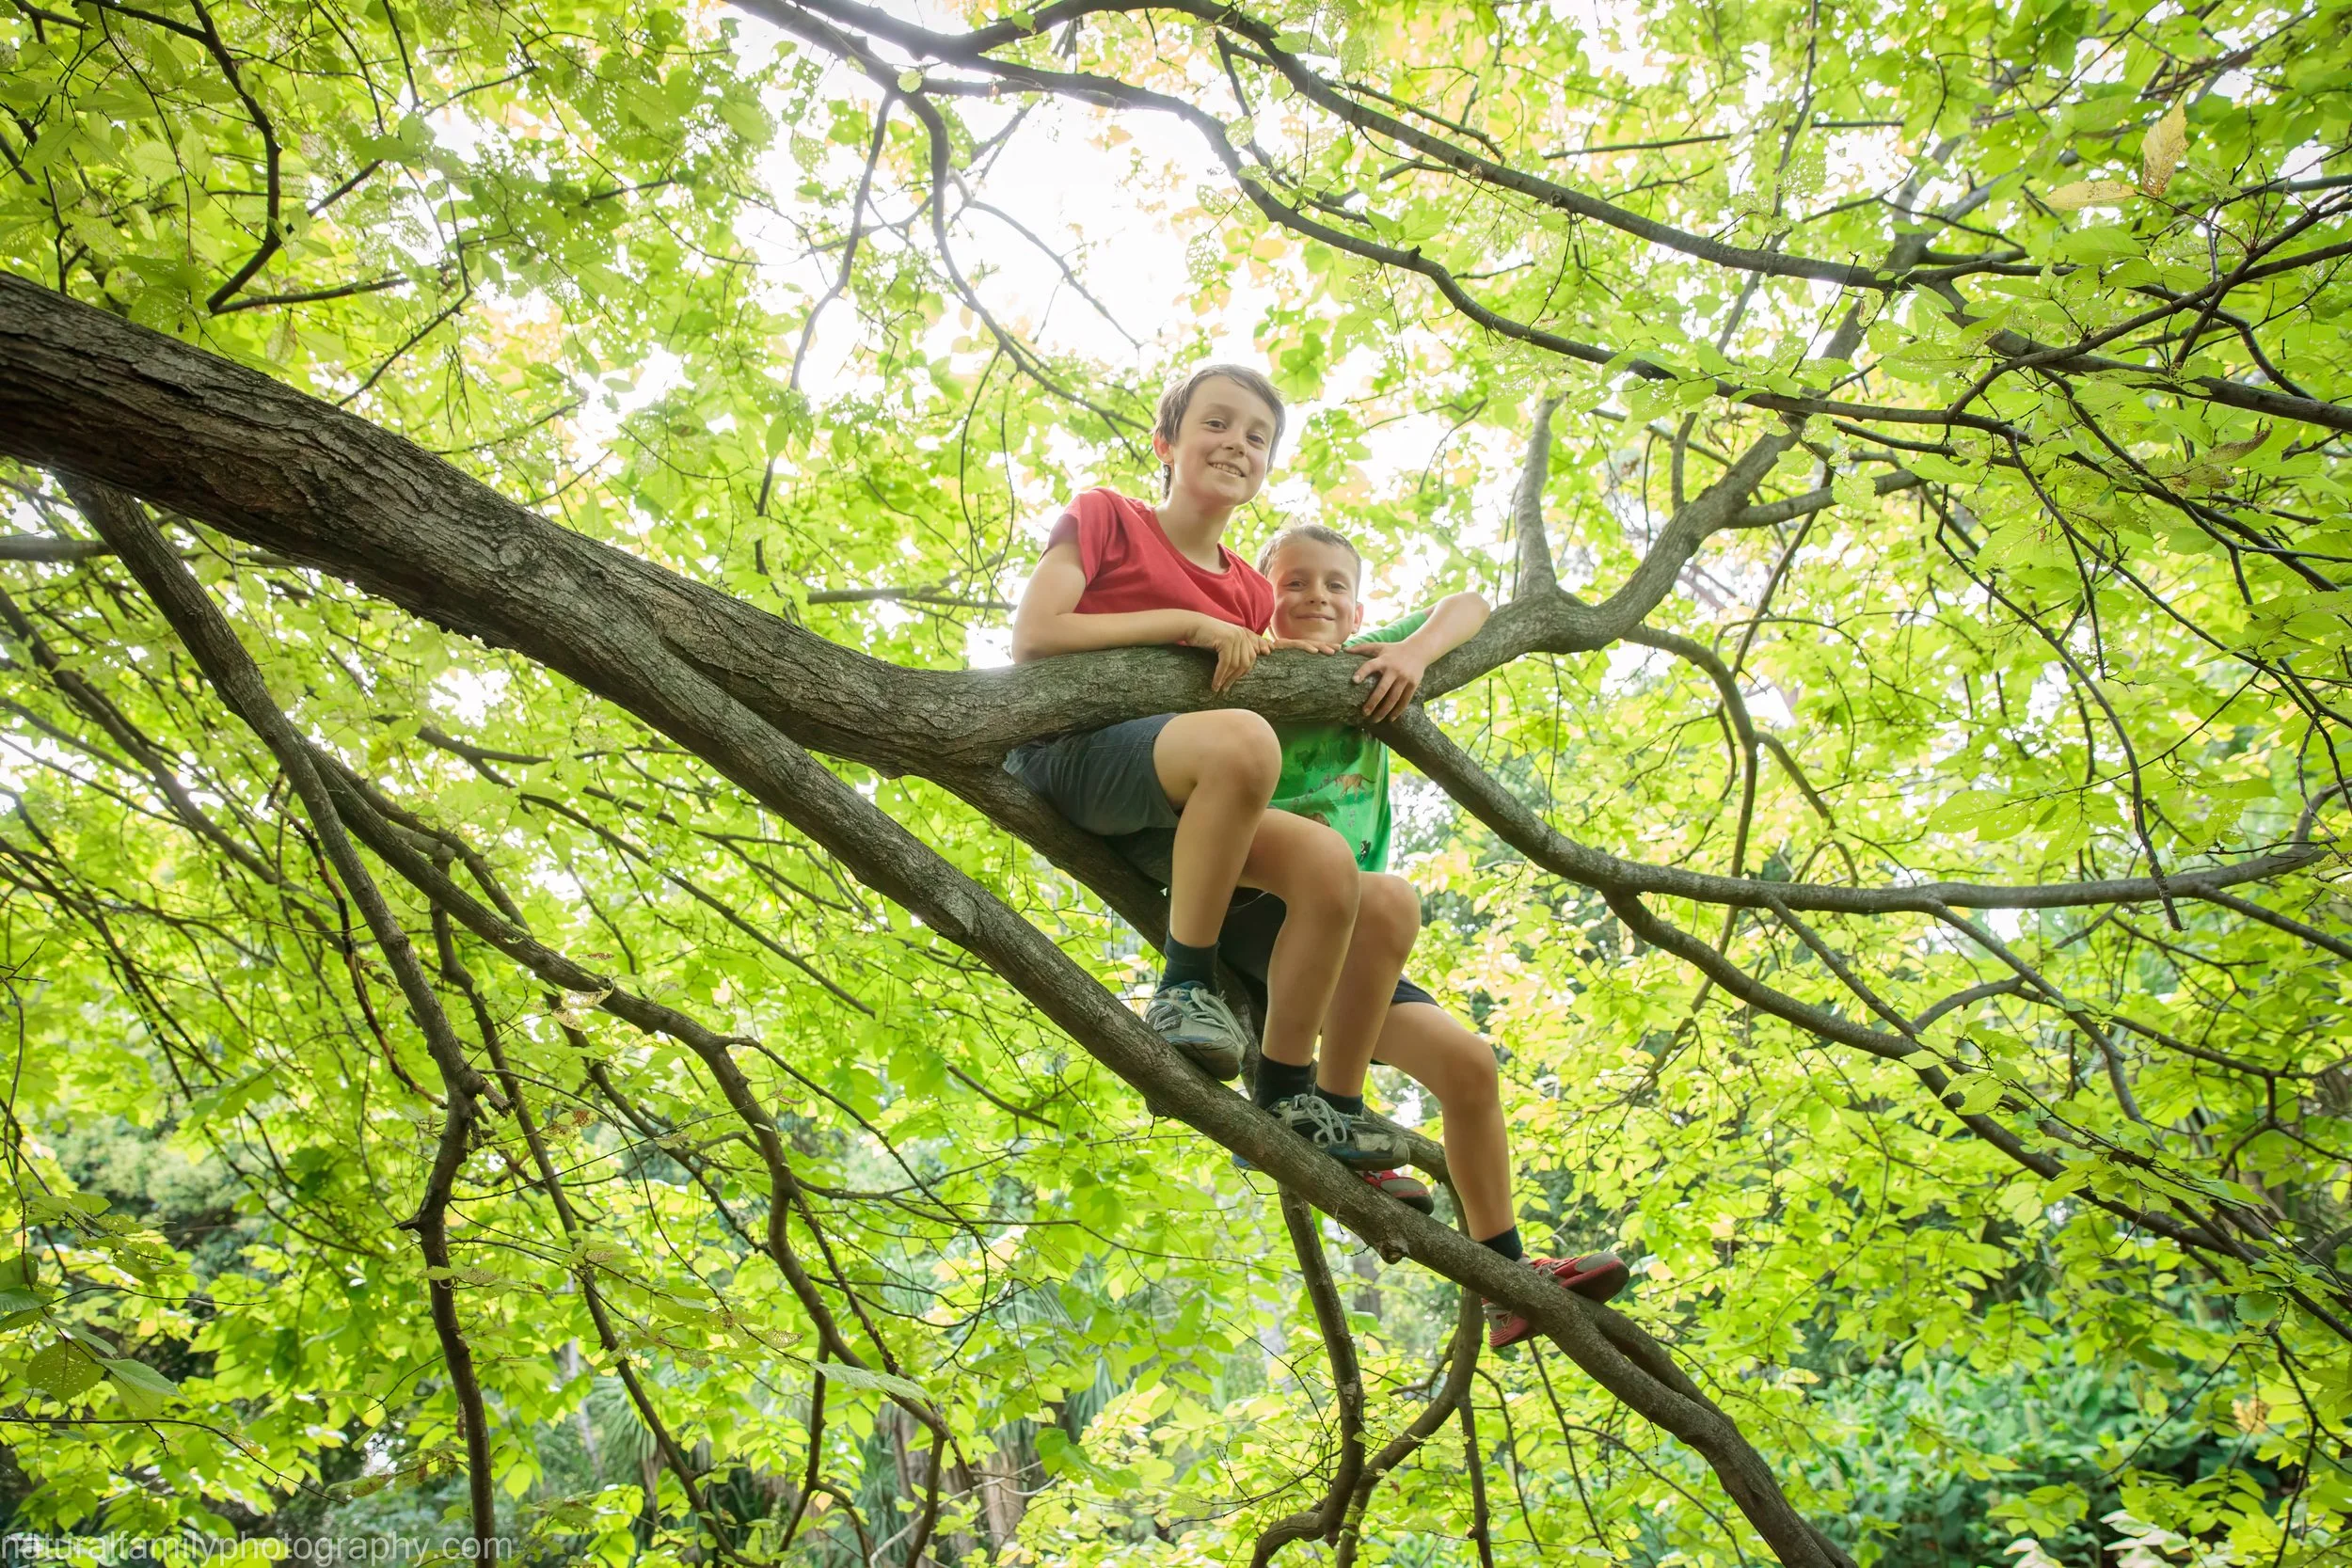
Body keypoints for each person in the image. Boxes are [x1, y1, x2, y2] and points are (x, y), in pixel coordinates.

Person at [1005, 365, 1407, 1172]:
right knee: (1244, 740)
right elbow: (1035, 633)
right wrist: (1189, 623)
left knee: (1336, 867)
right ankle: (1185, 985)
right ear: (1167, 443)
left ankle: (1292, 1092)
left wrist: (1372, 656)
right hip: (1073, 753)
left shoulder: (1254, 593)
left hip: (1180, 807)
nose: (1237, 444)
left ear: (1266, 468)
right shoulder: (1108, 517)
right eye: (1217, 424)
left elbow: (1269, 663)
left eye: (1257, 437)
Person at [1241, 521, 1629, 1350]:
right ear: (1260, 590)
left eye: (1335, 585)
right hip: (1266, 911)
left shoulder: (1370, 659)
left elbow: (1473, 603)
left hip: (1357, 936)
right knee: (1387, 896)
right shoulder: (1247, 661)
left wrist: (1412, 652)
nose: (1316, 597)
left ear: (1359, 605)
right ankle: (1339, 1113)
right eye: (1294, 582)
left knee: (1469, 1064)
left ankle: (1508, 1279)